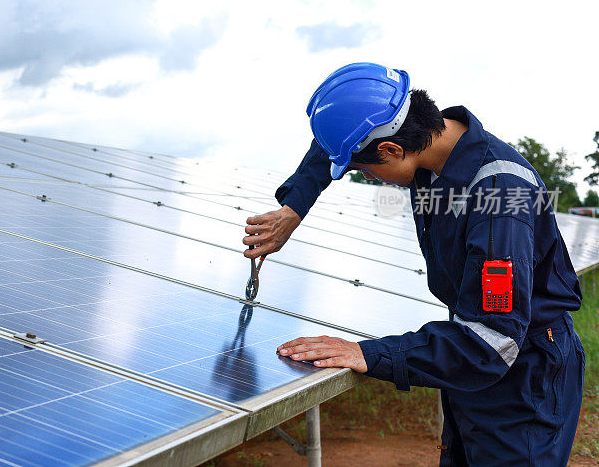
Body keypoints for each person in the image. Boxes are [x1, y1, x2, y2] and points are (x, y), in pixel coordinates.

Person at [243, 62, 585, 466]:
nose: (371, 178)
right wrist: (292, 208)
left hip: (523, 375)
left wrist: (369, 354)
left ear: (391, 150)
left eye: (367, 171)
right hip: (474, 357)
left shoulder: (498, 196)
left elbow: (493, 342)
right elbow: (332, 145)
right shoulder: (421, 144)